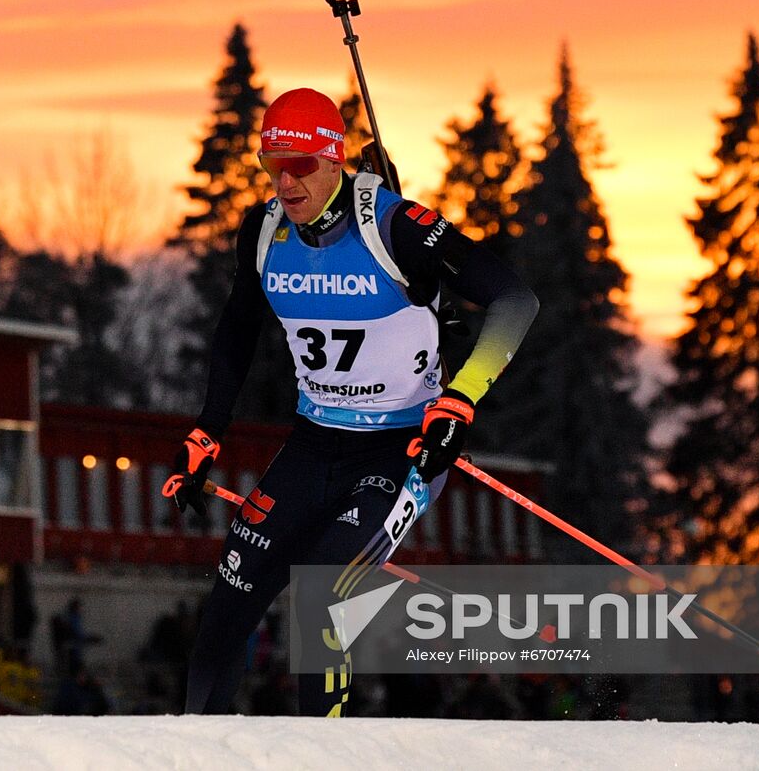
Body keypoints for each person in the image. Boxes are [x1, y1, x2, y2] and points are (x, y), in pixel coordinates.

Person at [171, 87, 539, 716]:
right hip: (314, 443)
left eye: (301, 166)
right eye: (272, 166)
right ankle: (198, 747)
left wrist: (459, 400)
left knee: (325, 591)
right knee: (234, 581)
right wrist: (208, 431)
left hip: (401, 448)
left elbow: (515, 300)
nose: (285, 184)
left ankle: (327, 752)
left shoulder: (395, 227)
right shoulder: (263, 232)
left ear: (335, 158)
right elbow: (238, 326)